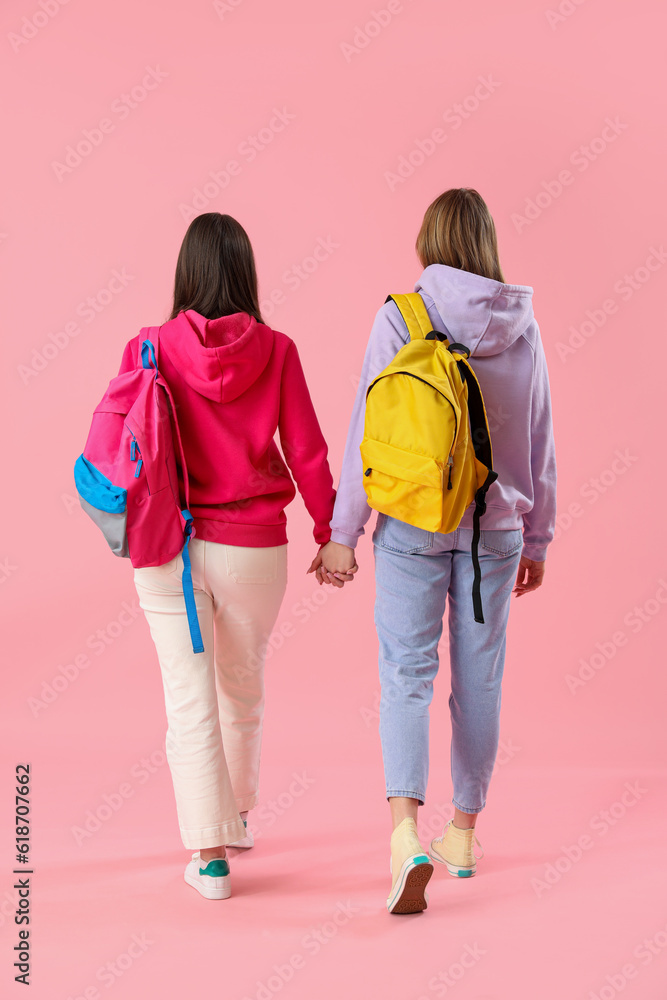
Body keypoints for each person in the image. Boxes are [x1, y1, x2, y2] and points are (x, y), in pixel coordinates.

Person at [312, 188, 557, 914]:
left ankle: (402, 837)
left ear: (428, 240)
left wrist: (340, 536)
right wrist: (537, 535)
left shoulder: (402, 316)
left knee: (405, 677)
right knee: (479, 683)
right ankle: (462, 834)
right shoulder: (524, 327)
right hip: (496, 533)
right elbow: (539, 436)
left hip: (414, 525)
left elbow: (369, 430)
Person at [119, 212, 349, 900]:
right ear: (245, 271)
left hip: (169, 548)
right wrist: (329, 537)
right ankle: (238, 815)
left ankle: (210, 858)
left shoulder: (147, 346)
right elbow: (307, 451)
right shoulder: (277, 350)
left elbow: (125, 444)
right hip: (254, 550)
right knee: (240, 689)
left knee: (188, 701)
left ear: (185, 271)